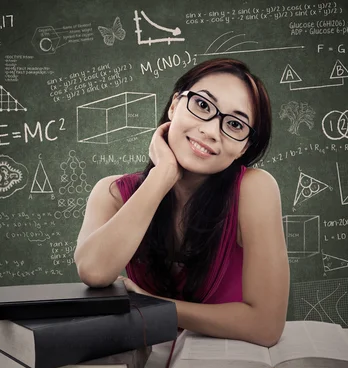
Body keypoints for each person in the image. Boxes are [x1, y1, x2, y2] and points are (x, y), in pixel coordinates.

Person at [74, 58, 289, 347]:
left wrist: (152, 304)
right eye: (202, 106)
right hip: (148, 366)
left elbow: (266, 327)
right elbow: (93, 271)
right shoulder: (112, 192)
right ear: (175, 105)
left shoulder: (255, 189)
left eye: (235, 124)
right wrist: (162, 175)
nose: (211, 131)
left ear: (244, 148)